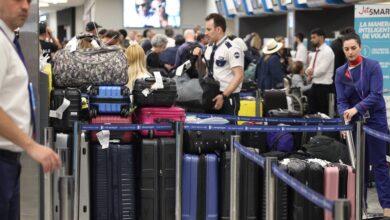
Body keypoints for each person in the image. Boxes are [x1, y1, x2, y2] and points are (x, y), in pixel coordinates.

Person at [0, 0, 61, 219]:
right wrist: (31, 145)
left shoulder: (8, 40)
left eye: (27, 0)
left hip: (10, 159)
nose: (25, 6)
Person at [335, 33, 390, 217]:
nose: (350, 52)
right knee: (360, 167)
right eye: (346, 49)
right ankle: (361, 208)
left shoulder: (372, 66)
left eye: (353, 48)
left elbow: (375, 94)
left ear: (360, 47)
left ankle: (387, 207)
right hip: (355, 122)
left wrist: (356, 108)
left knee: (379, 164)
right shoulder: (341, 72)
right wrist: (345, 120)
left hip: (375, 119)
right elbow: (342, 100)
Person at [204, 13, 244, 115]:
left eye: (209, 29)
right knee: (211, 130)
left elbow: (239, 75)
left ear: (218, 29)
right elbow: (205, 71)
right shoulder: (209, 47)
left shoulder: (232, 48)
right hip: (211, 94)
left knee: (229, 129)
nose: (205, 33)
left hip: (227, 96)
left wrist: (224, 96)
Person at [305, 28, 335, 115]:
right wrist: (308, 72)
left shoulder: (328, 51)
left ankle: (323, 129)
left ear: (321, 37)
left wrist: (311, 73)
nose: (311, 40)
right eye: (311, 38)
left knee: (323, 112)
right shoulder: (316, 52)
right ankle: (312, 128)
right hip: (315, 85)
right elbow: (310, 66)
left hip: (324, 87)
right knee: (312, 110)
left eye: (314, 37)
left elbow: (322, 69)